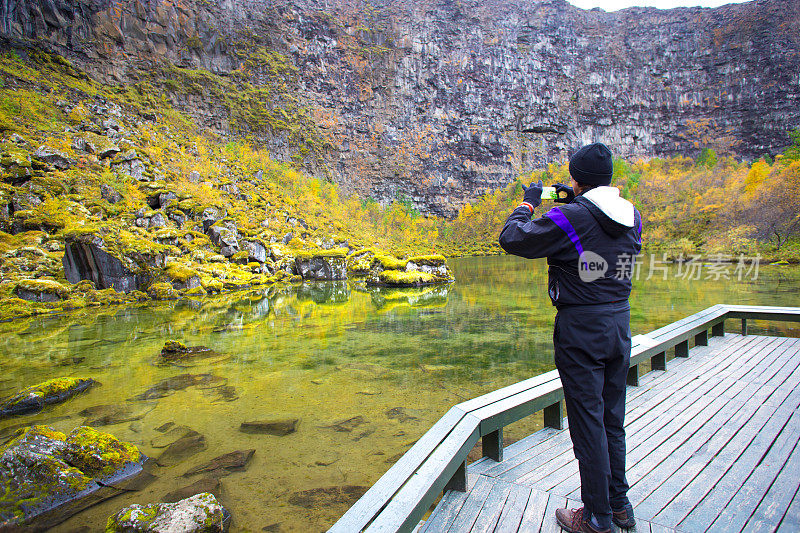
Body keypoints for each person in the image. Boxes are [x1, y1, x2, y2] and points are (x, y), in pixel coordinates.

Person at [498, 143, 642, 533]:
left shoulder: (571, 216)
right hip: (619, 324)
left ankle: (595, 516)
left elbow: (513, 238)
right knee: (612, 418)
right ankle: (619, 506)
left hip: (581, 328)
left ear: (577, 179)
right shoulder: (633, 215)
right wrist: (575, 197)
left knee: (586, 421)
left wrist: (528, 204)